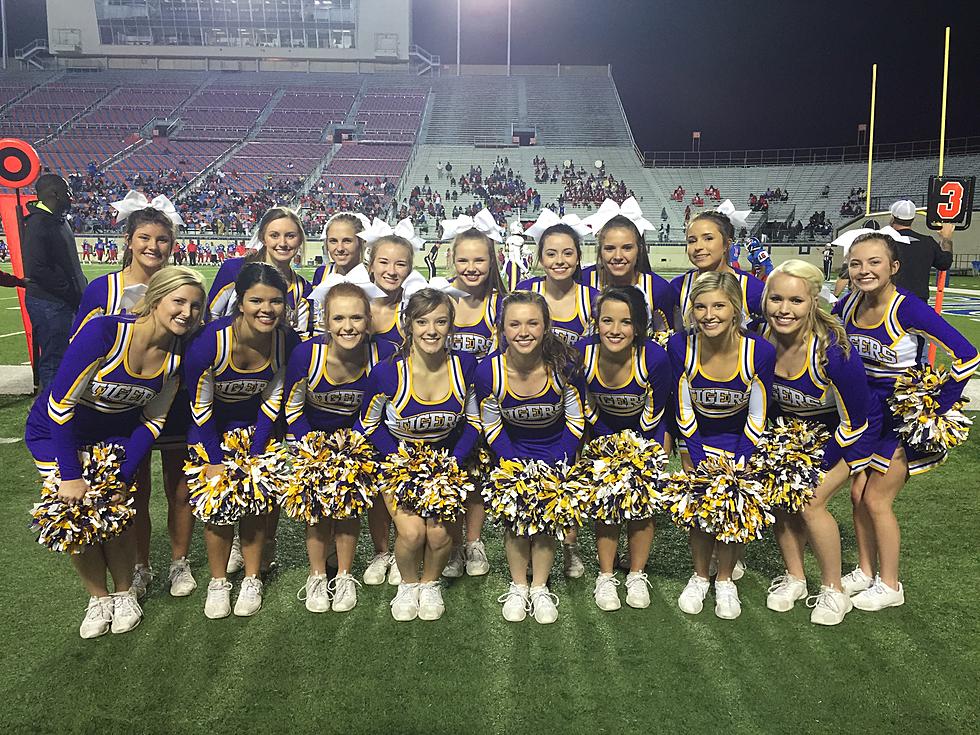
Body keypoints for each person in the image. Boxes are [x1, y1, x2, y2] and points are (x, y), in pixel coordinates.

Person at [24, 266, 205, 638]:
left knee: (117, 512)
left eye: (195, 306)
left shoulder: (176, 356)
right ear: (156, 299)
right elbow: (60, 407)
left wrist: (123, 475)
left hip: (115, 439)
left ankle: (124, 593)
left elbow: (152, 423)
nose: (187, 312)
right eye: (179, 301)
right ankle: (98, 598)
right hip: (57, 433)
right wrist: (71, 475)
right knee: (75, 513)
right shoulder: (105, 332)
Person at [834, 233, 978, 611]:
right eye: (855, 263)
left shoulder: (907, 308)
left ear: (893, 267)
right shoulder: (847, 304)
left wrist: (935, 405)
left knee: (877, 500)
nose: (864, 270)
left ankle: (891, 584)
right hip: (863, 412)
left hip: (899, 414)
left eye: (874, 262)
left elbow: (967, 355)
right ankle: (865, 571)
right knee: (856, 495)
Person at [70, 195, 199, 599]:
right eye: (144, 237)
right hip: (121, 408)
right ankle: (141, 565)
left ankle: (179, 563)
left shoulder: (182, 286)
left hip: (170, 397)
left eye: (162, 239)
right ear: (128, 240)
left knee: (180, 487)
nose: (153, 247)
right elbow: (80, 347)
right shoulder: (101, 289)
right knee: (134, 486)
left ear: (172, 244)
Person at [263, 282, 394, 613]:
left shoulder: (383, 352)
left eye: (355, 318)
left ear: (368, 320)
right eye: (338, 318)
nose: (347, 327)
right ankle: (318, 575)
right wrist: (315, 448)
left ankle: (345, 574)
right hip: (311, 440)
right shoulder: (307, 353)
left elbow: (375, 411)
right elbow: (292, 408)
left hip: (357, 440)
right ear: (325, 321)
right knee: (317, 509)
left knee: (348, 505)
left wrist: (350, 447)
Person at [761, 260, 875, 625]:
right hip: (795, 437)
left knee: (810, 501)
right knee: (781, 495)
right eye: (776, 298)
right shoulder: (762, 339)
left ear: (813, 301)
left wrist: (813, 467)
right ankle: (794, 577)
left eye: (795, 300)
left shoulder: (834, 352)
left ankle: (833, 590)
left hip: (850, 436)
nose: (784, 309)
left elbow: (857, 421)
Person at [184, 263, 300, 619]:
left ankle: (252, 578)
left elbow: (273, 400)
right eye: (257, 300)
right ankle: (218, 582)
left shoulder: (287, 341)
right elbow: (200, 408)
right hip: (210, 431)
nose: (267, 309)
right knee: (217, 507)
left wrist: (253, 455)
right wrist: (215, 461)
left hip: (257, 431)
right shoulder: (208, 342)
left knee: (257, 503)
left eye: (276, 301)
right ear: (241, 302)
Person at [358, 289, 480, 621]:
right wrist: (402, 462)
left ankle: (430, 584)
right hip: (399, 463)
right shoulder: (387, 372)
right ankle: (408, 585)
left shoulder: (465, 366)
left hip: (446, 464)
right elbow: (368, 425)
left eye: (441, 322)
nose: (431, 330)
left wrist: (451, 463)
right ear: (407, 325)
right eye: (422, 321)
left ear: (451, 326)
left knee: (439, 533)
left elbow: (474, 422)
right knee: (412, 533)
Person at [668, 272, 775, 620]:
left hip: (741, 441)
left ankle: (725, 579)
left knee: (734, 507)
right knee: (700, 512)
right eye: (700, 306)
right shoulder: (680, 346)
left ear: (735, 309)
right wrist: (696, 458)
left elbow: (759, 413)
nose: (709, 314)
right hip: (699, 441)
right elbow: (682, 407)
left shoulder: (759, 351)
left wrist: (739, 464)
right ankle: (700, 575)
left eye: (718, 305)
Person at [476, 291, 586, 624]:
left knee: (546, 525)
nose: (524, 332)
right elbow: (492, 426)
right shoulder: (488, 373)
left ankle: (539, 586)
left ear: (546, 326)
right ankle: (518, 584)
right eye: (515, 324)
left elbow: (575, 421)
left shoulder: (564, 367)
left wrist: (555, 465)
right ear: (502, 329)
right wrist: (516, 466)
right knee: (515, 523)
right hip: (512, 456)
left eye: (532, 323)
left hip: (556, 455)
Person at [577, 287, 669, 611]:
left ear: (638, 325)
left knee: (640, 506)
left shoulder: (653, 357)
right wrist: (608, 449)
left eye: (626, 322)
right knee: (606, 502)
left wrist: (633, 454)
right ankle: (605, 575)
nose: (615, 330)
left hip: (648, 436)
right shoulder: (582, 353)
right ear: (596, 322)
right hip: (602, 434)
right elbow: (584, 404)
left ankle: (636, 573)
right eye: (607, 321)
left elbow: (657, 409)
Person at [441, 225, 508, 579]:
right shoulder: (442, 298)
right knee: (453, 474)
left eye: (479, 259)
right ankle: (451, 546)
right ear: (452, 259)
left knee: (477, 477)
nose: (471, 267)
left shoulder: (500, 303)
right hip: (445, 405)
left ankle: (474, 542)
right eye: (463, 259)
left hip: (485, 406)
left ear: (491, 260)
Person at [22, 174, 86, 391]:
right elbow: (37, 269)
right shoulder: (38, 223)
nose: (71, 196)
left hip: (62, 302)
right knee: (53, 360)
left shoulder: (57, 220)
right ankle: (50, 411)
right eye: (67, 192)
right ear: (55, 194)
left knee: (63, 356)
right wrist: (69, 292)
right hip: (50, 303)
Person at [208, 207, 313, 339]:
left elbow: (301, 337)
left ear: (300, 240)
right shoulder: (234, 269)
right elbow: (209, 316)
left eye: (290, 236)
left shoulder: (304, 289)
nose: (283, 243)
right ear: (263, 238)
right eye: (274, 235)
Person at [672, 211, 765, 330]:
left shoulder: (752, 288)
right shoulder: (678, 286)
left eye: (708, 238)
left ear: (727, 244)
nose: (698, 247)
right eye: (692, 241)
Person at [887, 199, 954, 303]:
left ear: (892, 218)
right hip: (918, 300)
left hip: (889, 298)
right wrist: (946, 239)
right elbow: (945, 263)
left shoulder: (884, 241)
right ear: (913, 219)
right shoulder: (927, 242)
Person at [312, 212, 369, 287]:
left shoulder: (373, 276)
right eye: (333, 241)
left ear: (361, 242)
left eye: (347, 241)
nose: (340, 248)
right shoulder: (321, 274)